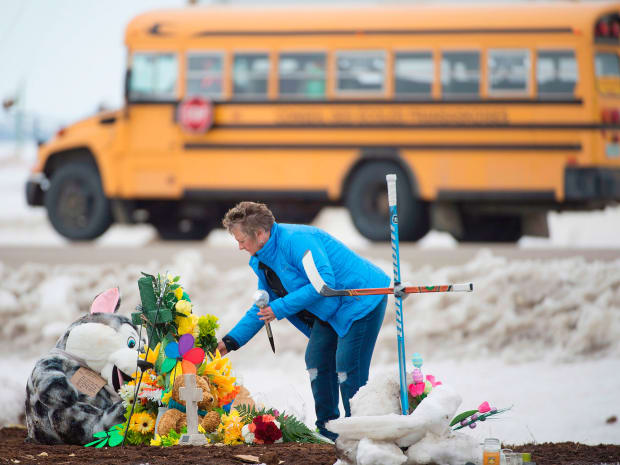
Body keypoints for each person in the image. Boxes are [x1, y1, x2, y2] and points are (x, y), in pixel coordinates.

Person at [216, 201, 390, 441]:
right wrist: (229, 342)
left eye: (241, 240)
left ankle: (360, 436)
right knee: (317, 359)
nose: (239, 247)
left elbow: (322, 283)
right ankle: (329, 431)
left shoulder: (296, 241)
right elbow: (263, 306)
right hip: (331, 309)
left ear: (259, 233)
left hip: (360, 299)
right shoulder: (263, 259)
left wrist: (279, 308)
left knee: (347, 366)